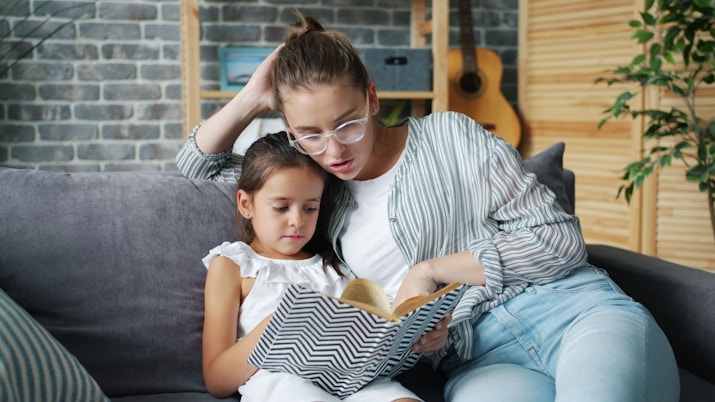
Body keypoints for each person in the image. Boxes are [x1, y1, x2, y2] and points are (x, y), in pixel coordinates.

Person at [178, 12, 680, 402]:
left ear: (372, 98)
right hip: (476, 361)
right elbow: (195, 167)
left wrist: (433, 271)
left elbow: (560, 240)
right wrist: (250, 98)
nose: (334, 150)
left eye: (348, 123)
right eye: (310, 134)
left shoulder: (451, 134)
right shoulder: (314, 196)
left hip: (570, 310)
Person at [200, 132, 423, 402]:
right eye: (281, 207)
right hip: (282, 382)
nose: (297, 221)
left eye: (310, 209)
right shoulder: (234, 265)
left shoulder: (334, 265)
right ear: (246, 204)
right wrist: (281, 325)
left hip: (351, 381)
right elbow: (216, 379)